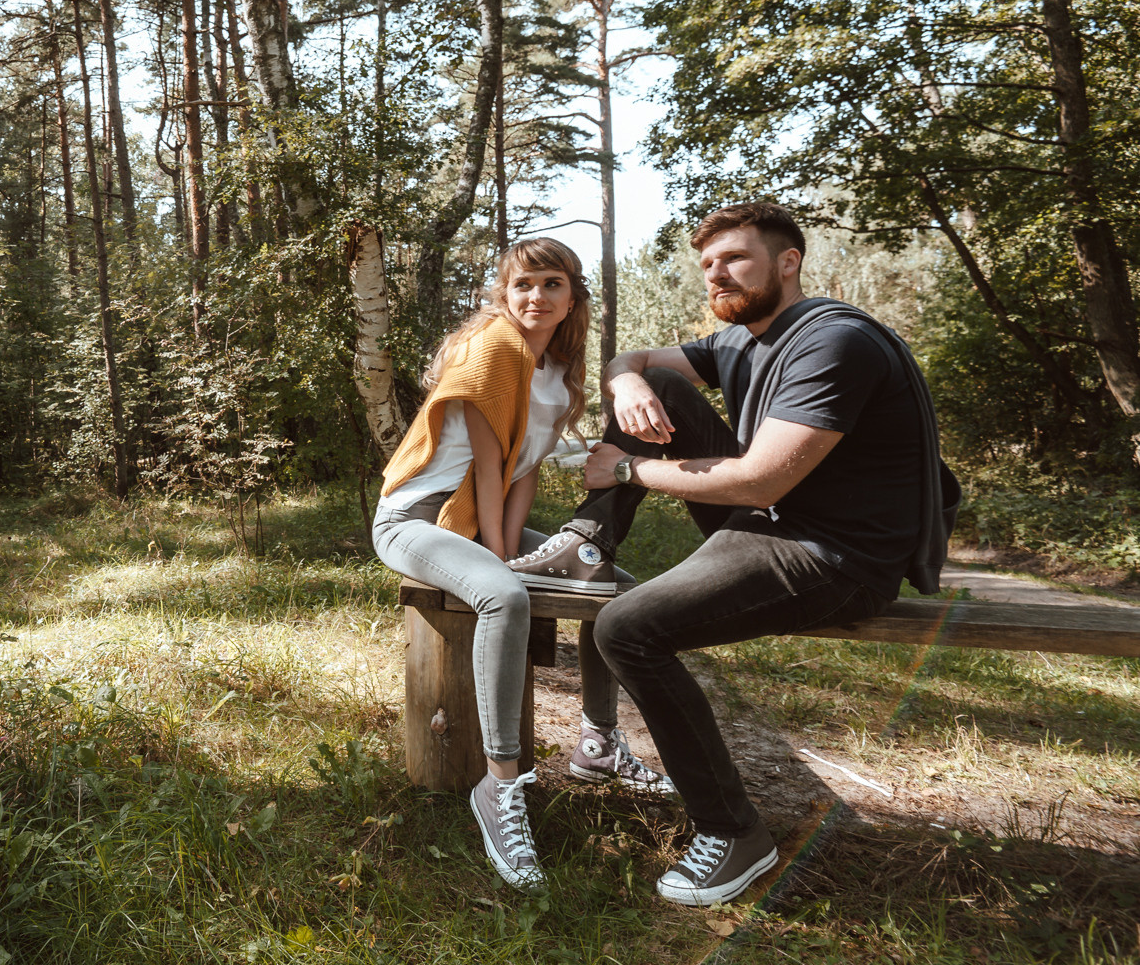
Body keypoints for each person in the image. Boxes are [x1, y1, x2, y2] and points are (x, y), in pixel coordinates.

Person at [512, 202, 958, 906]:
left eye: (735, 260)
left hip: (834, 554)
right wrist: (627, 380)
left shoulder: (834, 342)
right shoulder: (741, 342)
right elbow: (630, 362)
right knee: (658, 386)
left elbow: (764, 478)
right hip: (776, 523)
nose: (717, 274)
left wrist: (626, 470)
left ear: (788, 263)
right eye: (708, 265)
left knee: (627, 628)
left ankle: (733, 832)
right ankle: (590, 542)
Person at [372, 238, 673, 895]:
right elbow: (486, 465)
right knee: (503, 596)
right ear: (505, 295)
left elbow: (523, 469)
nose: (536, 297)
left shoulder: (557, 371)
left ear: (573, 297)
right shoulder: (496, 349)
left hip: (481, 518)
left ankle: (597, 740)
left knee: (614, 586)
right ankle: (499, 785)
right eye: (523, 285)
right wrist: (501, 562)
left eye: (551, 285)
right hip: (418, 519)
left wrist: (508, 548)